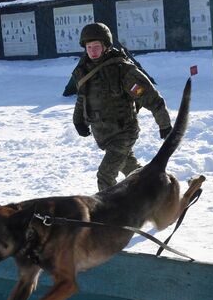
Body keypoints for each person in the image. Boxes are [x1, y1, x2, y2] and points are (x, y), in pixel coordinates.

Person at [72, 22, 172, 191]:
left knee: (105, 175)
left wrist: (164, 124)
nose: (92, 51)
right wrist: (78, 121)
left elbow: (150, 97)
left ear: (105, 46)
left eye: (96, 46)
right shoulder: (83, 70)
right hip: (103, 134)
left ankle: (107, 214)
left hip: (124, 132)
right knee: (131, 168)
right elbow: (82, 98)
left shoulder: (122, 70)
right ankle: (156, 192)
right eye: (89, 47)